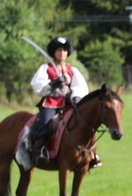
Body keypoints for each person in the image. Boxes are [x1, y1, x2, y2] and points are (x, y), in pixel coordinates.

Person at [29, 36, 100, 168]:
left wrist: (76, 99)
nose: (62, 53)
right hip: (51, 103)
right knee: (46, 122)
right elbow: (38, 86)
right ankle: (39, 150)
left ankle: (92, 154)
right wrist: (54, 83)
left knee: (85, 123)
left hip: (69, 104)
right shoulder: (46, 68)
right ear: (54, 52)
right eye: (59, 50)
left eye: (64, 50)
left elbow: (79, 87)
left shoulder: (72, 70)